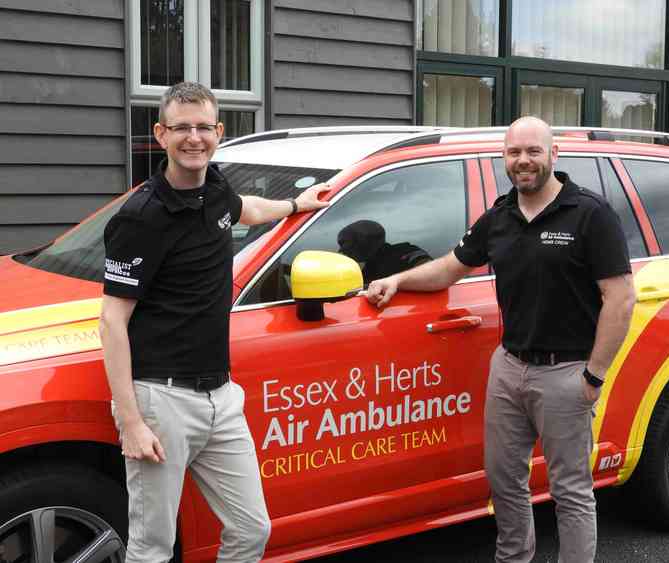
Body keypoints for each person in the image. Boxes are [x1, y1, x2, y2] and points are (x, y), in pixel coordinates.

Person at [367, 116, 635, 563]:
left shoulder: (590, 213)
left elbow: (620, 297)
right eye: (514, 153)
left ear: (554, 154)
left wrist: (593, 376)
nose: (523, 161)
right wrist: (397, 279)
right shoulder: (500, 216)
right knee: (504, 481)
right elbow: (451, 267)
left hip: (566, 372)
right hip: (509, 369)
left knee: (570, 491)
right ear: (504, 158)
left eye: (533, 151)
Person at [99, 81, 328, 563]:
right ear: (160, 134)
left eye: (204, 127)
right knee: (152, 547)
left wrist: (296, 206)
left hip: (221, 399)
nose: (194, 138)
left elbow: (247, 209)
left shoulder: (216, 187)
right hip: (161, 402)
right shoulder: (142, 217)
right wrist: (132, 421)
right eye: (181, 128)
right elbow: (111, 323)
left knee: (252, 530)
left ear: (219, 131)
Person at [337, 219, 431, 283]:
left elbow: (429, 274)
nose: (344, 253)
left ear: (364, 244)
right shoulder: (369, 269)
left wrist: (396, 282)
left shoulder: (406, 252)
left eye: (348, 248)